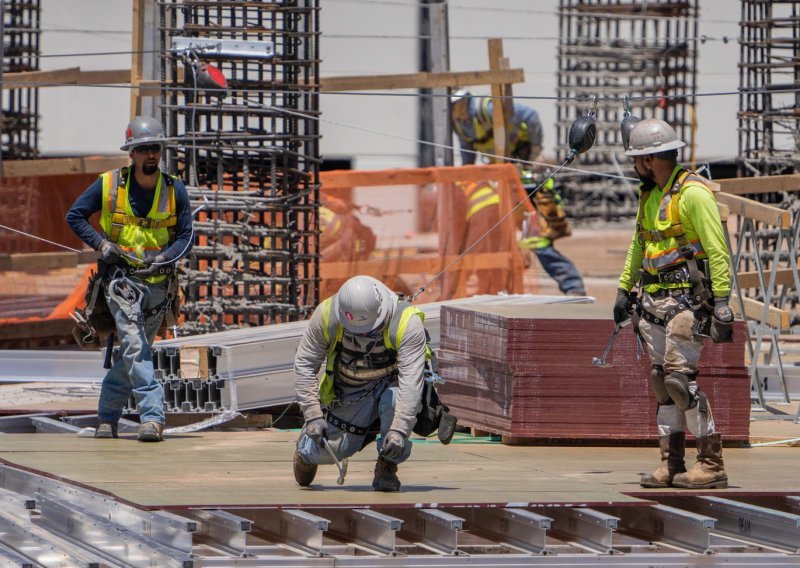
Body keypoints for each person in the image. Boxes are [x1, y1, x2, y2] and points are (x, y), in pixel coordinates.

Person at [615, 118, 733, 489]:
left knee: (681, 382)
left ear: (649, 160)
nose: (635, 168)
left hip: (688, 303)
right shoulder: (650, 195)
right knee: (662, 383)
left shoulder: (694, 194)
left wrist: (723, 301)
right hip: (653, 302)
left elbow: (717, 249)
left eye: (636, 160)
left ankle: (711, 465)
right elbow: (640, 242)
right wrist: (623, 289)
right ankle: (672, 463)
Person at [66, 116, 193, 442]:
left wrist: (163, 258)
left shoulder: (174, 189)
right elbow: (75, 215)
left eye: (155, 148)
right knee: (136, 349)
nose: (150, 154)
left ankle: (107, 418)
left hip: (159, 287)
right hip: (121, 283)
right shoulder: (109, 185)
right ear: (131, 154)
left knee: (133, 354)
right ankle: (152, 417)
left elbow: (186, 237)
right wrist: (101, 244)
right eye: (143, 149)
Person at [293, 275, 426, 492]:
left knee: (394, 405)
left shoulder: (406, 322)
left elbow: (412, 382)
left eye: (370, 330)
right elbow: (305, 364)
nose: (364, 335)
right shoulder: (327, 315)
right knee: (320, 452)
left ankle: (387, 465)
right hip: (349, 391)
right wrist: (313, 416)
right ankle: (305, 451)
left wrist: (399, 431)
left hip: (391, 383)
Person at [450, 91, 586, 296]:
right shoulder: (462, 125)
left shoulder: (486, 110)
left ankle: (572, 286)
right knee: (493, 239)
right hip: (503, 183)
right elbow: (468, 158)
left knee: (536, 238)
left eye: (457, 105)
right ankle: (492, 288)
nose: (454, 110)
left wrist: (535, 149)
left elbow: (530, 115)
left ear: (465, 102)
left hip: (524, 175)